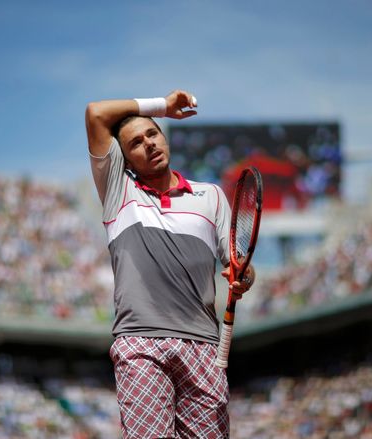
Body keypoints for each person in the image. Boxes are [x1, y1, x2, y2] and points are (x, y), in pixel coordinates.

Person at [85, 89, 255, 438]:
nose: (148, 143)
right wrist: (161, 107)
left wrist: (243, 277)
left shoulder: (210, 196)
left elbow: (240, 266)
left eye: (153, 133)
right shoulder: (118, 190)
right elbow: (96, 113)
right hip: (140, 342)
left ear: (164, 139)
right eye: (135, 143)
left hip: (205, 345)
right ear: (126, 160)